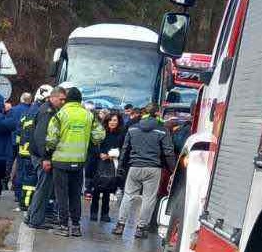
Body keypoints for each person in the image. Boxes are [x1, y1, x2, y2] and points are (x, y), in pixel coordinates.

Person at [45, 87, 104, 236]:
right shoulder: (88, 115)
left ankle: (63, 226)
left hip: (60, 161)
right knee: (75, 194)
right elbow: (99, 135)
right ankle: (76, 226)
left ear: (67, 99)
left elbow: (51, 139)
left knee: (61, 194)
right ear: (80, 100)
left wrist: (48, 152)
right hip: (79, 161)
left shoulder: (60, 115)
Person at [113, 105, 176, 239]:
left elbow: (125, 149)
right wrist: (173, 169)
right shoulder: (163, 130)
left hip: (134, 167)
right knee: (149, 199)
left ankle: (120, 225)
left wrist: (121, 168)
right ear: (158, 113)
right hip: (153, 169)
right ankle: (141, 228)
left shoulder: (132, 128)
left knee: (128, 195)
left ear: (143, 113)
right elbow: (168, 152)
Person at [24, 86, 65, 229]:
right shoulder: (47, 112)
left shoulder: (49, 110)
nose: (63, 102)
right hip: (42, 156)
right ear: (52, 97)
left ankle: (31, 216)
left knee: (42, 187)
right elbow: (41, 137)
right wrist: (46, 158)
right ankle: (35, 220)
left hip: (40, 155)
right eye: (61, 99)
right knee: (43, 188)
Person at [89, 113, 124, 222]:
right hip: (99, 163)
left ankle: (105, 213)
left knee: (107, 190)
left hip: (112, 163)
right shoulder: (101, 133)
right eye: (111, 120)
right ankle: (93, 213)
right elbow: (93, 146)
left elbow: (123, 148)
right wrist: (100, 154)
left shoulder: (121, 134)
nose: (112, 122)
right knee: (96, 188)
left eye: (115, 120)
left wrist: (111, 155)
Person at [9, 92, 36, 209]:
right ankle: (22, 197)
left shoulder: (14, 110)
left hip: (15, 142)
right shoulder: (33, 111)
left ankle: (13, 189)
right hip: (27, 147)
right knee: (25, 172)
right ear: (30, 100)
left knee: (14, 166)